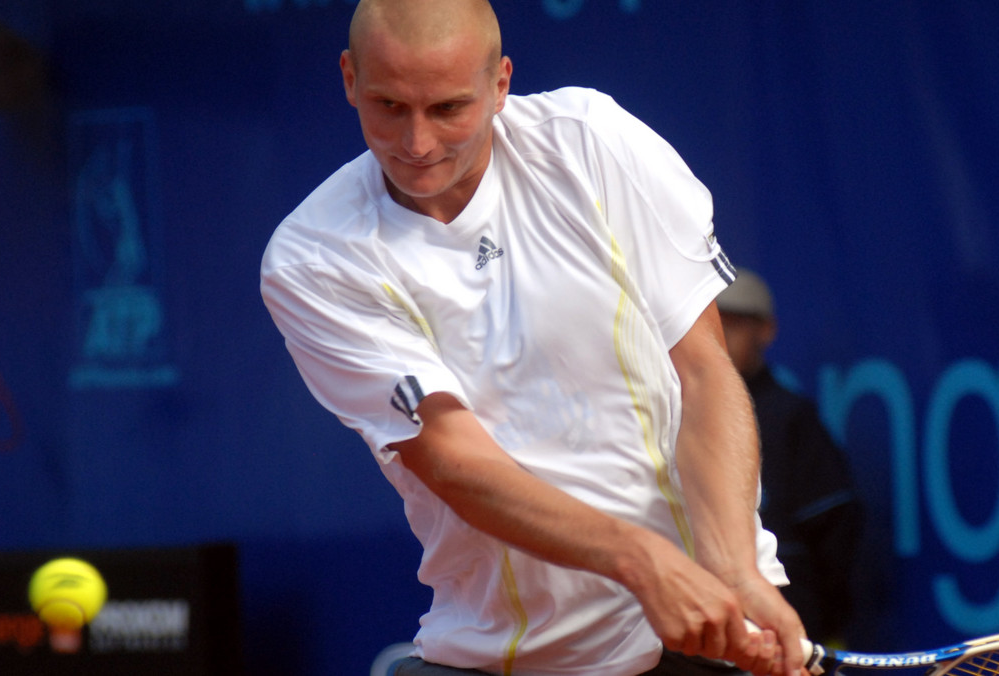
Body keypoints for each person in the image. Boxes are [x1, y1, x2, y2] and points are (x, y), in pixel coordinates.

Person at [259, 1, 807, 675]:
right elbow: (454, 459)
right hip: (525, 656)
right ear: (348, 77)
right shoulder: (314, 257)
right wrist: (641, 559)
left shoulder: (593, 141)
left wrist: (731, 563)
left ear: (501, 84)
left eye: (449, 108)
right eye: (389, 105)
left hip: (721, 627)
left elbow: (702, 368)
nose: (419, 142)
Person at [716, 268, 864, 647]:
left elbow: (833, 528)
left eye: (735, 324)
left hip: (786, 632)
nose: (721, 335)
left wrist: (821, 622)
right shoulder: (676, 409)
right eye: (714, 322)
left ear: (766, 330)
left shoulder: (790, 416)